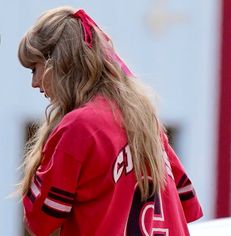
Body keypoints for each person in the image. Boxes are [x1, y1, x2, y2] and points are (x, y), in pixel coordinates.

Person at [18, 6, 203, 236]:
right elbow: (187, 204)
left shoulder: (78, 127)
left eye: (34, 69)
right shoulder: (145, 119)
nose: (34, 83)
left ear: (57, 62)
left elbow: (40, 220)